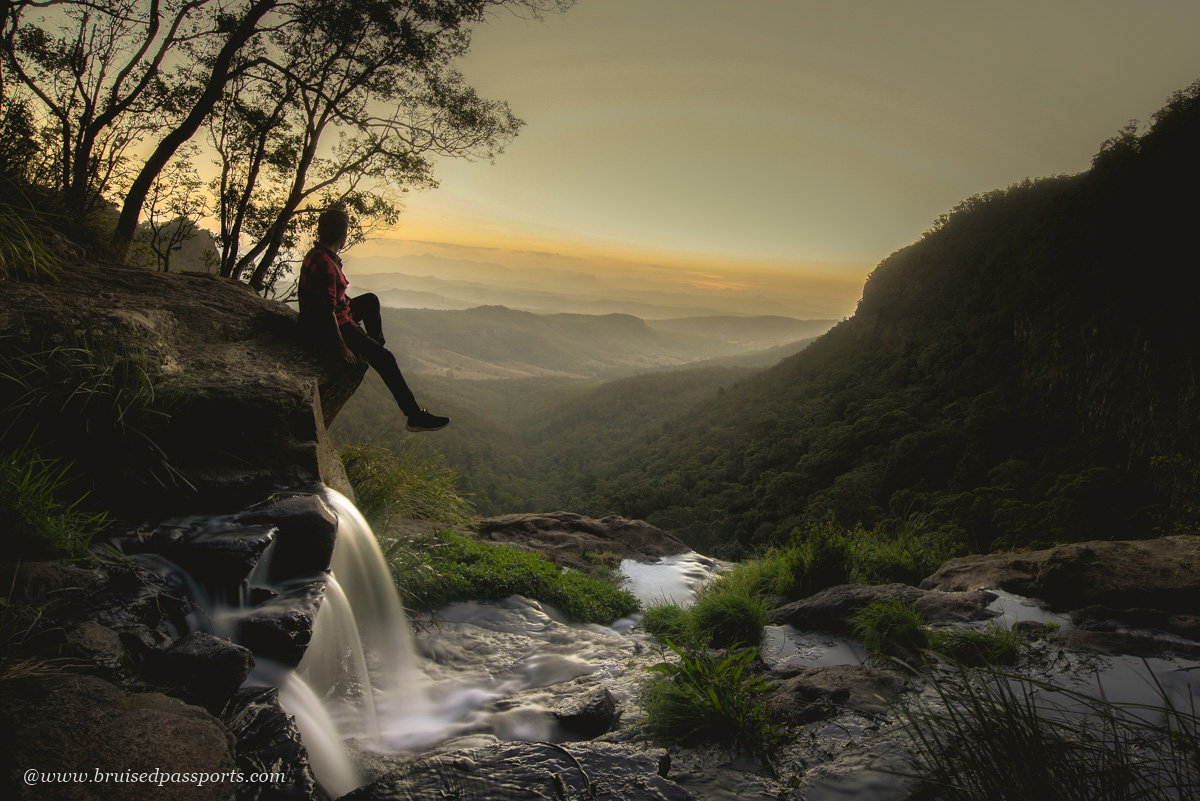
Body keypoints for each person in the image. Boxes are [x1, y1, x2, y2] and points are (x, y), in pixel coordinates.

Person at [298, 208, 449, 432]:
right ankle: (414, 416)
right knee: (387, 360)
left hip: (325, 319)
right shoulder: (328, 265)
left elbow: (332, 299)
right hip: (330, 327)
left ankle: (375, 347)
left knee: (370, 300)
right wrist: (342, 348)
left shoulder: (317, 254)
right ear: (343, 236)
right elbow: (327, 311)